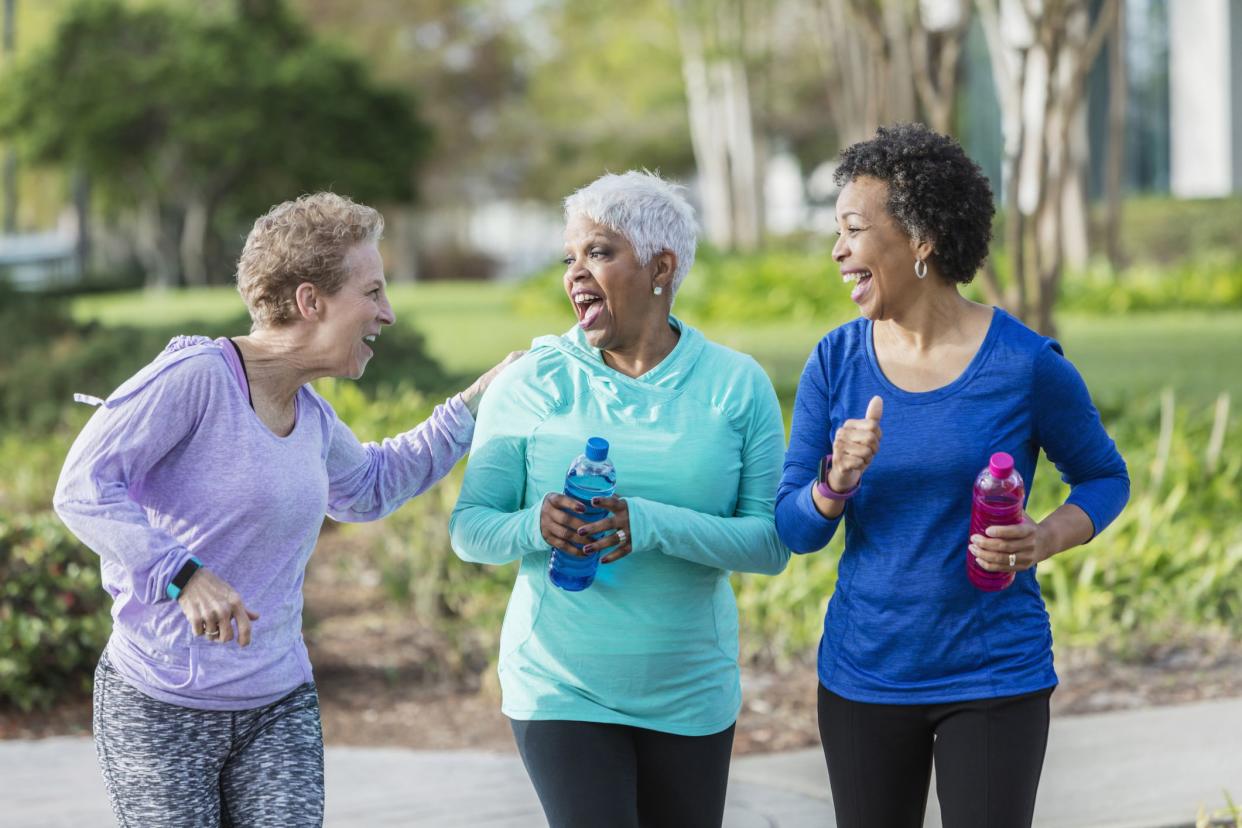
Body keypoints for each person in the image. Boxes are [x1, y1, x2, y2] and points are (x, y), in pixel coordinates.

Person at [53, 192, 518, 827]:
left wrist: (474, 401)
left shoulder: (312, 416)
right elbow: (82, 486)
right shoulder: (195, 378)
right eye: (373, 292)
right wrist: (183, 572)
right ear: (310, 301)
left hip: (279, 701)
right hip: (162, 701)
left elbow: (371, 487)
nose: (388, 313)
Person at [774, 124, 1130, 828]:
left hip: (994, 674)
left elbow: (1104, 477)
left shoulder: (1025, 364)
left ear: (922, 240)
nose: (838, 250)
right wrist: (834, 483)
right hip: (864, 674)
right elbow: (792, 527)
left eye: (853, 229)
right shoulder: (835, 361)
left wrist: (1045, 536)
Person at [449, 171, 788, 828]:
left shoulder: (734, 386)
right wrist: (535, 524)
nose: (576, 272)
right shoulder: (531, 381)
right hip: (559, 686)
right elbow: (471, 528)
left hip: (691, 690)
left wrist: (652, 524)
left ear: (662, 267)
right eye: (569, 257)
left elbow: (770, 543)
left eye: (599, 252)